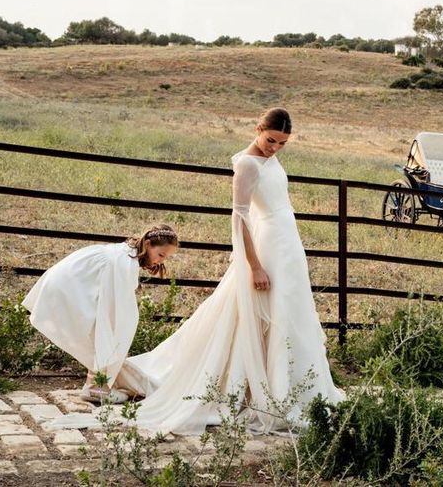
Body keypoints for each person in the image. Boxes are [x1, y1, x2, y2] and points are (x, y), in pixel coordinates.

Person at [119, 107, 345, 434]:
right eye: (270, 140)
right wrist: (254, 266)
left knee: (290, 314)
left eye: (282, 143)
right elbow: (240, 219)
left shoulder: (271, 159)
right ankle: (265, 392)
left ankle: (292, 386)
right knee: (264, 313)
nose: (275, 148)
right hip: (266, 248)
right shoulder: (247, 164)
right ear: (257, 129)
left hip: (286, 245)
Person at [22, 224, 179, 403]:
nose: (161, 261)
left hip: (66, 283)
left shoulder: (125, 254)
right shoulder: (124, 262)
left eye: (166, 257)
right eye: (161, 255)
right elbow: (115, 313)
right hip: (68, 288)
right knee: (115, 327)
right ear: (149, 244)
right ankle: (98, 387)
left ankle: (94, 385)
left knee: (104, 328)